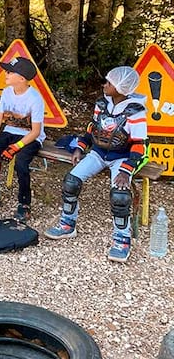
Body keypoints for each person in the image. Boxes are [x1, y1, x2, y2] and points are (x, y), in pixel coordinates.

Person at [44, 66, 148, 263]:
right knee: (71, 182)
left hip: (122, 156)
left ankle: (122, 240)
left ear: (121, 87)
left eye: (109, 82)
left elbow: (139, 145)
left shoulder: (136, 112)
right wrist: (80, 148)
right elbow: (92, 131)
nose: (104, 85)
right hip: (99, 152)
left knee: (119, 194)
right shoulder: (102, 104)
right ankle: (67, 224)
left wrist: (126, 171)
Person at [0, 56, 45, 221]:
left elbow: (36, 131)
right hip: (10, 131)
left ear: (21, 78)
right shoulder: (6, 92)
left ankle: (24, 204)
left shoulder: (35, 98)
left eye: (10, 72)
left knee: (21, 163)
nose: (6, 74)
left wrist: (16, 147)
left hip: (30, 137)